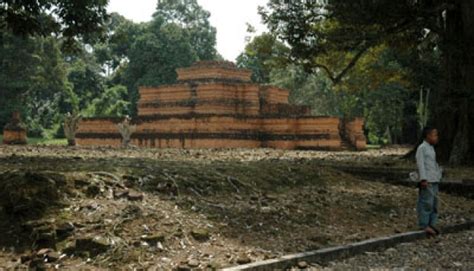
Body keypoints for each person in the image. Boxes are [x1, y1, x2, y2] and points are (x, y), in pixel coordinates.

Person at [416, 127, 442, 236]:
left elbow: (433, 164)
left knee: (435, 203)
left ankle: (432, 223)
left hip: (434, 179)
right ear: (428, 135)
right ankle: (424, 224)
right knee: (426, 202)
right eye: (434, 135)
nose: (436, 138)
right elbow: (420, 164)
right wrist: (423, 179)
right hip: (427, 180)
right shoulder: (422, 148)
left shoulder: (431, 148)